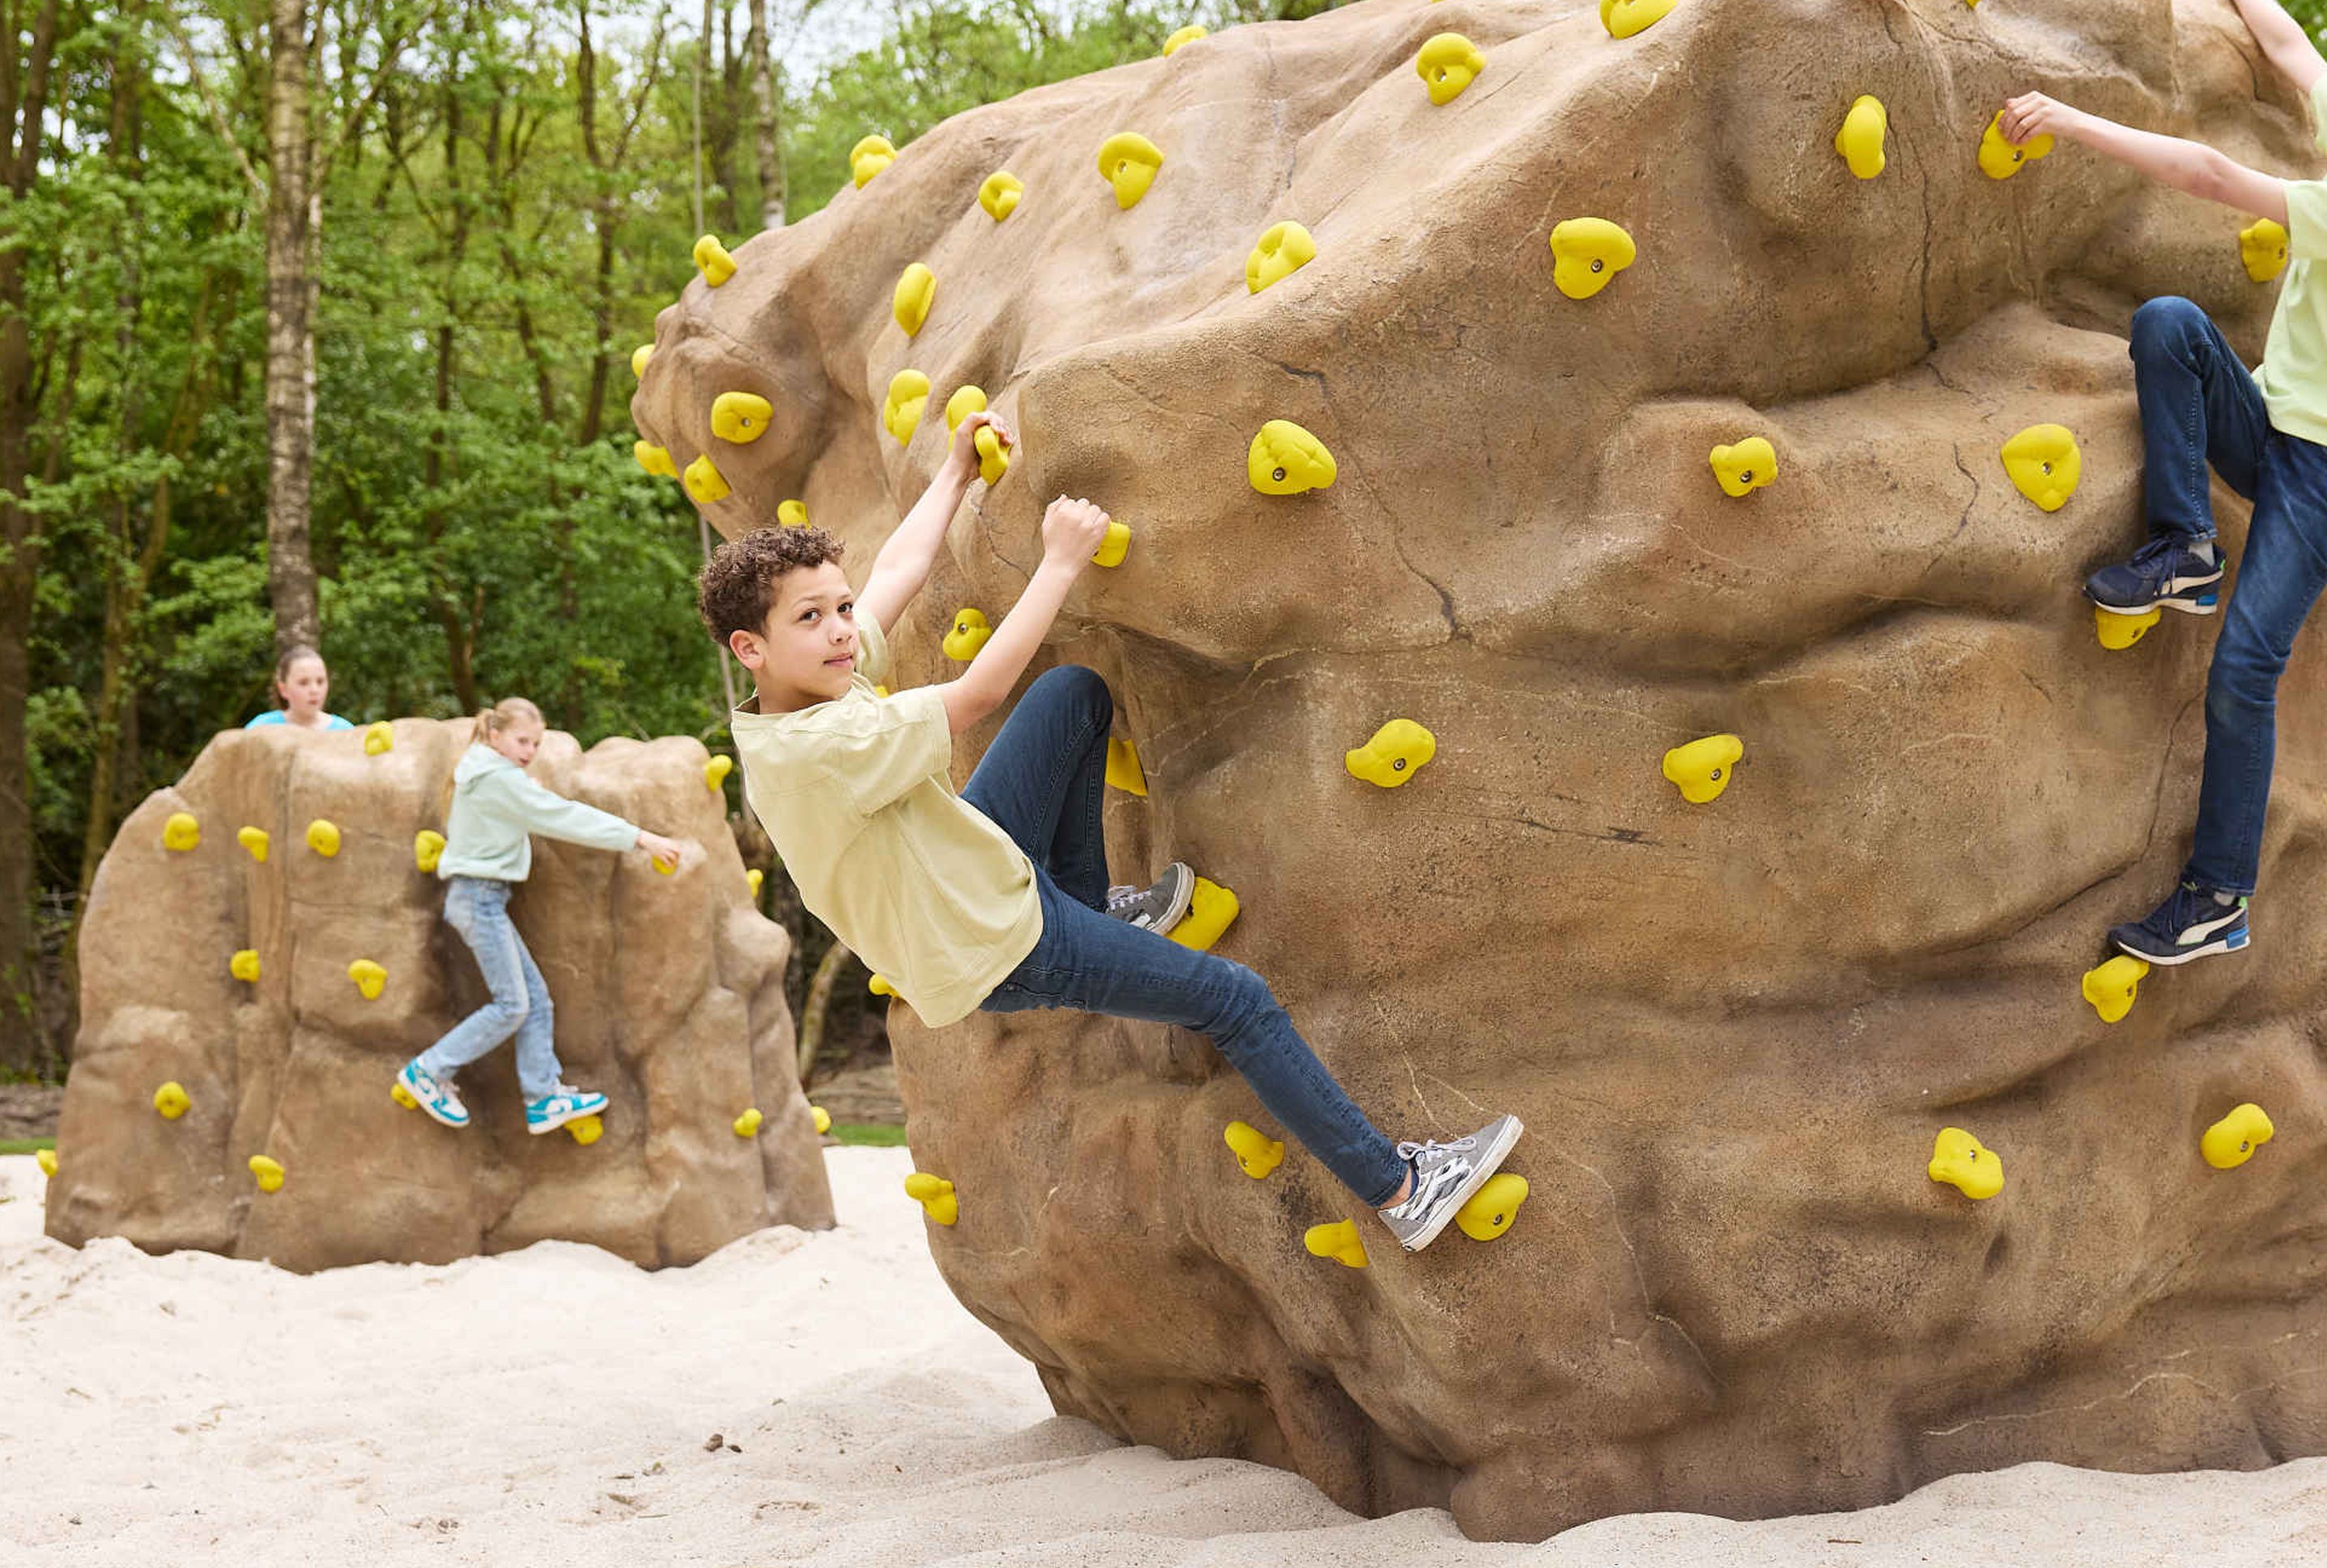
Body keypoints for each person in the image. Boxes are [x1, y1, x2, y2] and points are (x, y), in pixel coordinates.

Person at [699, 408, 1520, 1251]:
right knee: (1235, 1001)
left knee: (1072, 697)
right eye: (812, 619)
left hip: (975, 866)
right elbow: (978, 693)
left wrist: (956, 474)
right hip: (1000, 939)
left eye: (839, 607)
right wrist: (1059, 563)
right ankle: (1402, 1188)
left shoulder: (806, 691)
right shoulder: (826, 742)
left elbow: (899, 571)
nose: (841, 629)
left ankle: (1095, 906)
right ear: (749, 648)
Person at [2000, 0, 2327, 967]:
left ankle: (2217, 895)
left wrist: (2072, 123)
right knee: (2170, 325)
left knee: (2244, 670)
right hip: (2270, 423)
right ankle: (2183, 545)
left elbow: (2215, 176)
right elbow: (2299, 52)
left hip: (2326, 478)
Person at [393, 697, 699, 1134]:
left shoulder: (492, 775)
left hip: (485, 899)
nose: (530, 750)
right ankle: (429, 1070)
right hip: (478, 899)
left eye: (536, 743)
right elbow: (564, 817)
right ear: (495, 736)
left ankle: (543, 1098)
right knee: (513, 1004)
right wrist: (641, 838)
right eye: (522, 740)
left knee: (534, 1002)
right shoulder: (497, 781)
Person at [245, 644, 354, 732]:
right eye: (303, 683)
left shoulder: (345, 731)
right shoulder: (261, 728)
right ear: (283, 689)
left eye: (320, 681)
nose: (314, 690)